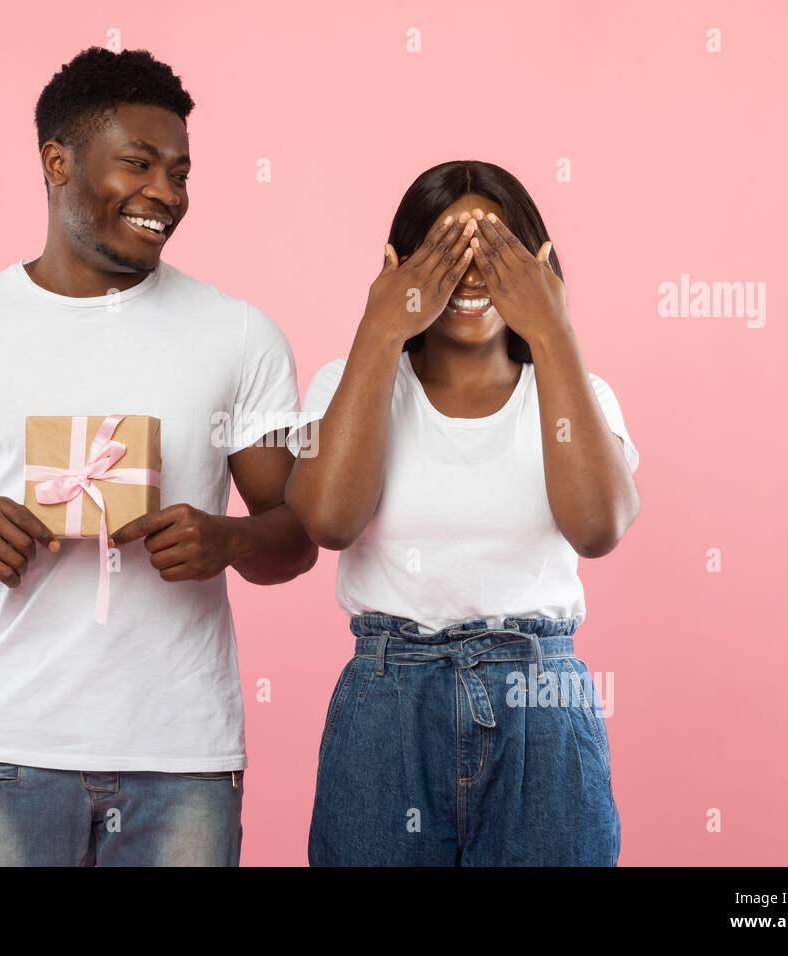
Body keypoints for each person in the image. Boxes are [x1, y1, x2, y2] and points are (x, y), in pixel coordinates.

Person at [0, 47, 316, 867]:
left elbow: (297, 536)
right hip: (6, 752)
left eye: (179, 173)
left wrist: (232, 541)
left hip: (183, 761)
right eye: (138, 164)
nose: (165, 196)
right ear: (56, 163)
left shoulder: (239, 334)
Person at [284, 161, 641, 866]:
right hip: (389, 699)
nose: (471, 273)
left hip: (540, 695)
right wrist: (381, 329)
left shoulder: (577, 392)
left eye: (496, 252)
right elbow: (327, 521)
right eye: (447, 250)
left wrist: (553, 330)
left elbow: (599, 527)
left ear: (539, 265)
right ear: (397, 263)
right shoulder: (349, 383)